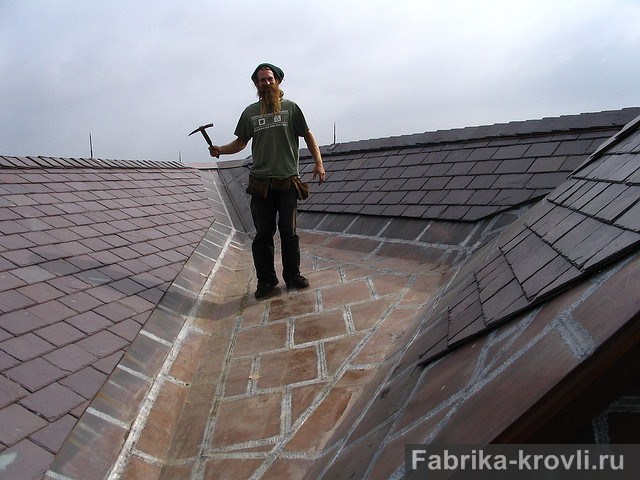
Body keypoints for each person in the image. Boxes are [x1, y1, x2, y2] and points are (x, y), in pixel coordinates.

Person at [209, 62, 326, 299]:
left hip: (288, 181)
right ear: (256, 84)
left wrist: (319, 162)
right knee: (263, 234)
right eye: (262, 80)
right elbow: (241, 143)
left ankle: (292, 275)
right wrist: (220, 150)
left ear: (278, 81)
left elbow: (307, 134)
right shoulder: (250, 113)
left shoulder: (291, 108)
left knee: (289, 232)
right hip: (261, 183)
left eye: (270, 79)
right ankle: (266, 281)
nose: (267, 83)